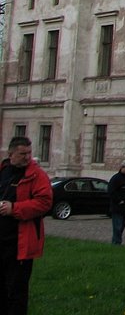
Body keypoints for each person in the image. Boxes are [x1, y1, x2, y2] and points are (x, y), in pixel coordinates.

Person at [0, 135, 52, 315]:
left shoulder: (36, 175)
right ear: (11, 153)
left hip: (20, 243)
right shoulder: (3, 170)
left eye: (29, 153)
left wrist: (14, 208)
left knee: (16, 291)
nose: (27, 157)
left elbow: (44, 203)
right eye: (23, 153)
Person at [107, 159, 125, 245]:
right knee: (117, 227)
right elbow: (111, 191)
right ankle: (116, 243)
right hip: (117, 207)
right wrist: (119, 200)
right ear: (122, 167)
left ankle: (116, 242)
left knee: (122, 227)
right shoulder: (116, 178)